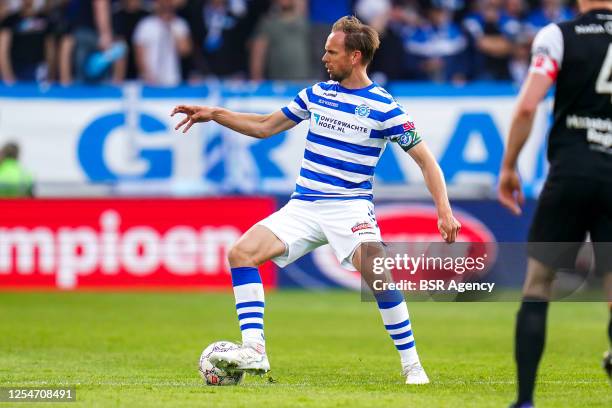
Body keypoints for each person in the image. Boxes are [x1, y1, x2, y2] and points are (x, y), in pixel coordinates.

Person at [172, 16, 461, 384]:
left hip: (349, 207)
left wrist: (444, 212)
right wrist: (216, 114)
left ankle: (413, 366)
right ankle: (255, 351)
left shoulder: (385, 107)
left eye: (331, 51)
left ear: (355, 56)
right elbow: (264, 126)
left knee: (378, 275)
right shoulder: (317, 94)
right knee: (240, 253)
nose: (324, 57)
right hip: (304, 205)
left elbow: (426, 161)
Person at [497, 0, 612, 406]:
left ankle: (525, 400)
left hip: (571, 171)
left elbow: (529, 105)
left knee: (538, 284)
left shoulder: (558, 35)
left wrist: (509, 166)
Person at [133, 0, 191, 86]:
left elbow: (185, 50)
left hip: (173, 81)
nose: (165, 7)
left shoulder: (179, 24)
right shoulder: (145, 25)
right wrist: (146, 74)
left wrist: (170, 27)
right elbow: (139, 54)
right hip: (149, 82)